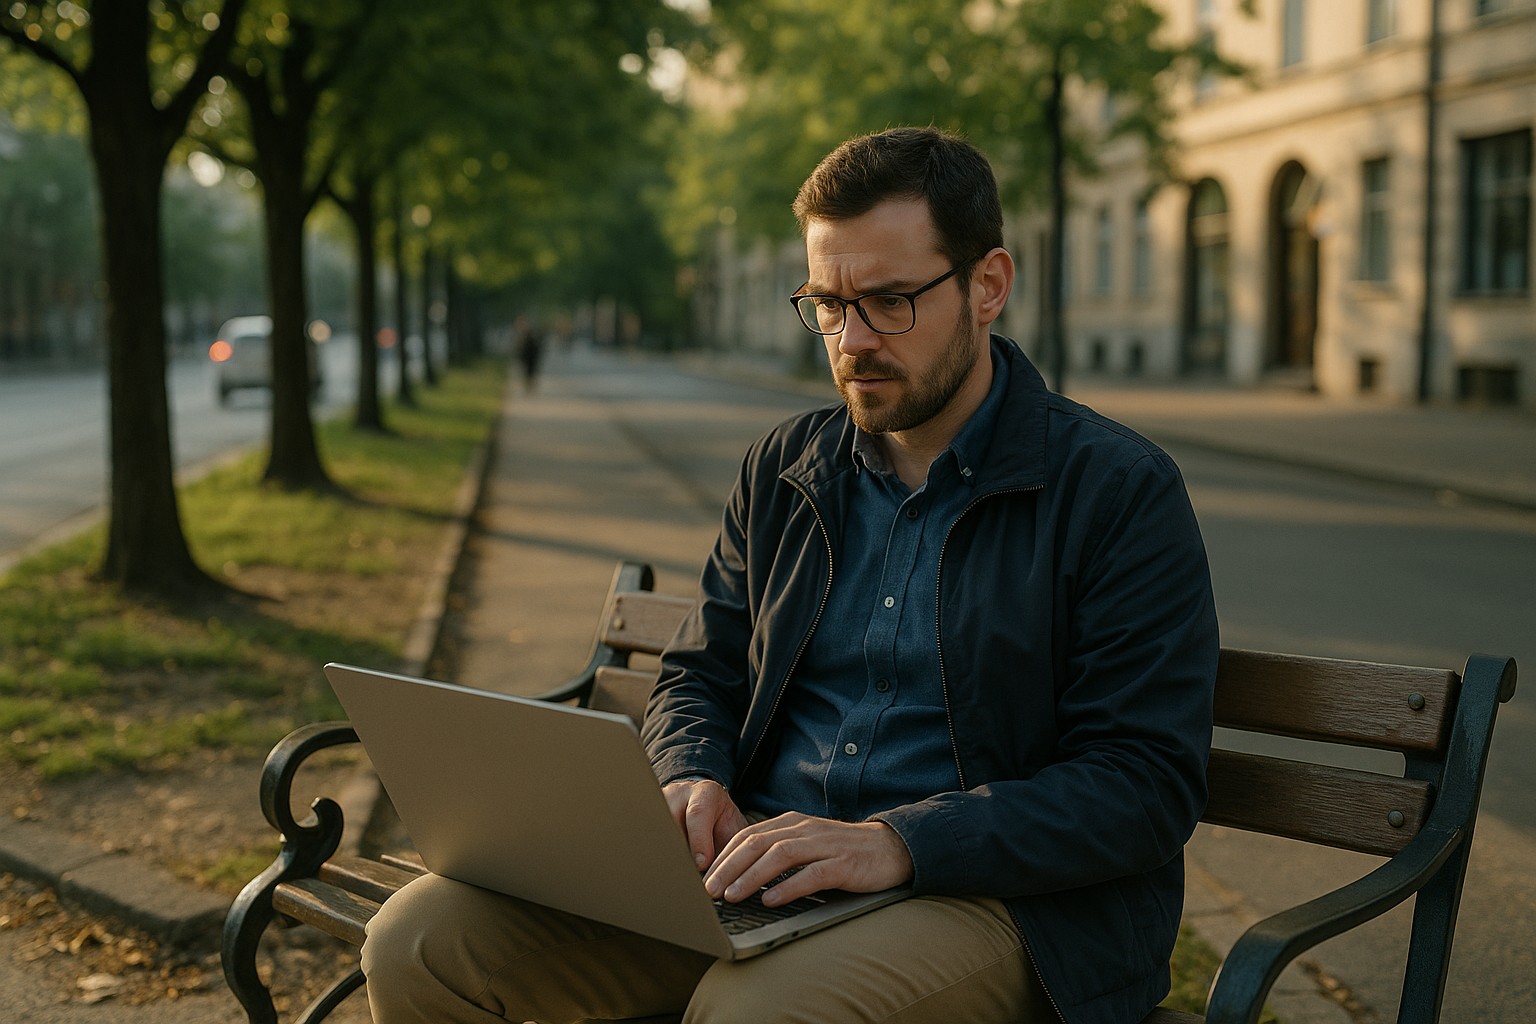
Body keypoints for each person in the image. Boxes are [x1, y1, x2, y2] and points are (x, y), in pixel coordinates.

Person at [362, 126, 1218, 1024]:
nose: (851, 341)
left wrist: (899, 840)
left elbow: (1144, 782)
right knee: (423, 941)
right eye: (826, 303)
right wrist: (689, 774)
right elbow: (701, 672)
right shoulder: (787, 466)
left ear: (988, 285)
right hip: (760, 870)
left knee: (756, 1015)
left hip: (1000, 902)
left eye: (889, 302)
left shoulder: (1117, 489)